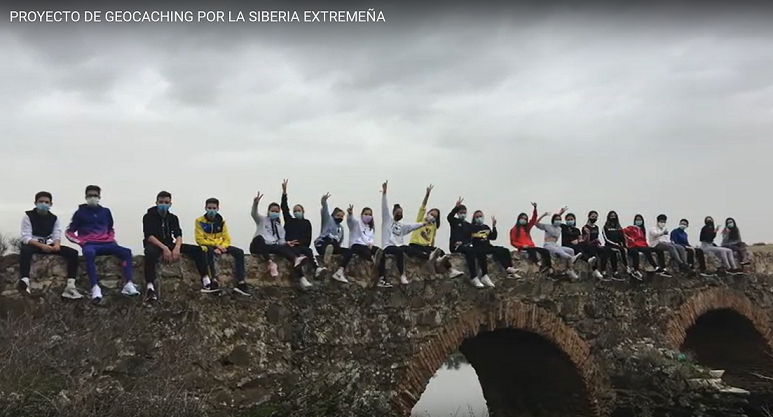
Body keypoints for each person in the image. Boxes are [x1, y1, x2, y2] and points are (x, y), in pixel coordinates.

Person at [143, 191, 246, 301]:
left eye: (166, 202)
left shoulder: (172, 218)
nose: (164, 204)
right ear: (156, 202)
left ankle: (206, 281)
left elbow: (178, 234)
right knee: (150, 253)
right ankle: (150, 287)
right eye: (161, 202)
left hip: (170, 244)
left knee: (199, 250)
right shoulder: (148, 216)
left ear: (170, 204)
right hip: (155, 244)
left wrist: (177, 247)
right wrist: (164, 248)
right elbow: (149, 236)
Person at [65, 185, 138, 303]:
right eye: (90, 195)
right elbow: (69, 232)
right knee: (89, 254)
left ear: (99, 196)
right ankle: (95, 287)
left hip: (107, 243)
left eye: (95, 195)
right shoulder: (80, 213)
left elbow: (110, 228)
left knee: (126, 252)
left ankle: (128, 284)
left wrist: (110, 238)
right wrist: (81, 242)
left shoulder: (105, 212)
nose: (92, 197)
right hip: (90, 244)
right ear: (85, 197)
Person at [18, 191, 83, 299]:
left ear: (50, 204)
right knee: (25, 250)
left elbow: (56, 233)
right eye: (41, 201)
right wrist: (41, 246)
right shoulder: (28, 216)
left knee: (72, 253)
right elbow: (26, 237)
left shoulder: (54, 218)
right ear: (35, 203)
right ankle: (25, 281)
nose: (44, 204)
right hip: (34, 244)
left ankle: (71, 286)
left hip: (49, 244)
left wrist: (56, 245)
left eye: (46, 202)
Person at [249, 191, 312, 289]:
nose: (275, 213)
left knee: (287, 248)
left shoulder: (279, 227)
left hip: (271, 246)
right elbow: (254, 213)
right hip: (259, 246)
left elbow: (280, 241)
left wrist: (287, 243)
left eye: (277, 211)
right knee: (259, 239)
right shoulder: (262, 220)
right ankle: (270, 263)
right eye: (273, 211)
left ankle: (300, 273)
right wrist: (256, 203)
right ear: (268, 211)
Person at [404, 184, 465, 279]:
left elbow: (432, 240)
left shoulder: (433, 227)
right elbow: (423, 206)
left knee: (441, 252)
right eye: (431, 214)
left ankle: (450, 270)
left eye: (435, 217)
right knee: (417, 253)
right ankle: (434, 261)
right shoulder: (420, 220)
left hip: (426, 246)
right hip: (415, 245)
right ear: (427, 213)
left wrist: (432, 248)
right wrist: (427, 195)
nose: (432, 217)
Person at [379, 181, 429, 285]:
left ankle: (429, 258)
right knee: (399, 252)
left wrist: (423, 224)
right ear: (393, 213)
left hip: (400, 246)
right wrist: (384, 194)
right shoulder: (387, 220)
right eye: (398, 212)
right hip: (388, 246)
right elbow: (384, 208)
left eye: (401, 213)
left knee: (412, 249)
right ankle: (402, 275)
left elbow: (411, 226)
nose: (399, 214)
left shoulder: (401, 226)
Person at [194, 198, 248, 292]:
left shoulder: (221, 222)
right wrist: (216, 245)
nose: (212, 210)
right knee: (208, 252)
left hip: (221, 246)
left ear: (218, 208)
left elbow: (227, 238)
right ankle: (213, 280)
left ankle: (241, 282)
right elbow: (200, 239)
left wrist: (222, 246)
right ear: (205, 208)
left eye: (214, 208)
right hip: (208, 245)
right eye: (209, 208)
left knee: (239, 252)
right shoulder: (199, 221)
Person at [280, 180, 326, 278]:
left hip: (302, 246)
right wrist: (284, 193)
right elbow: (284, 208)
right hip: (290, 246)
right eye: (295, 211)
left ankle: (317, 268)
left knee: (308, 251)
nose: (297, 212)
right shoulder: (289, 220)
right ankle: (302, 278)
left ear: (303, 211)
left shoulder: (306, 223)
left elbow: (308, 238)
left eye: (298, 210)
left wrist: (299, 243)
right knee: (296, 257)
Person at [331, 205, 382, 286]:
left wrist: (371, 244)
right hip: (356, 245)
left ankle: (381, 278)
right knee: (366, 252)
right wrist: (350, 214)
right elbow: (351, 222)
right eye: (366, 214)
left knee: (380, 252)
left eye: (370, 214)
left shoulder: (371, 228)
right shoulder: (357, 223)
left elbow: (370, 238)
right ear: (362, 214)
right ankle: (339, 271)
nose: (368, 216)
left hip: (367, 246)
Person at [468, 210, 520, 288]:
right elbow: (469, 238)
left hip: (487, 245)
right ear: (474, 218)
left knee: (504, 250)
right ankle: (505, 269)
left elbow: (493, 237)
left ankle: (510, 269)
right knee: (494, 252)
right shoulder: (472, 227)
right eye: (477, 217)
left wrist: (494, 226)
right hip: (479, 247)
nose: (479, 218)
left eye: (480, 216)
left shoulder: (485, 227)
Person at [534, 207, 581, 280]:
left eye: (559, 219)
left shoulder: (559, 228)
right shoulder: (547, 226)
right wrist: (543, 215)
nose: (558, 221)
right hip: (548, 245)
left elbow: (557, 219)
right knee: (562, 253)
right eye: (556, 220)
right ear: (553, 220)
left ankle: (570, 270)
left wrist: (560, 213)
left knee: (571, 250)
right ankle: (571, 259)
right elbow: (536, 223)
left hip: (555, 245)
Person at [447, 197, 483, 288]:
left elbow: (471, 237)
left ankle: (482, 275)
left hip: (465, 246)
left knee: (477, 251)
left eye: (464, 212)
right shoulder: (454, 221)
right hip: (455, 246)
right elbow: (449, 217)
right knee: (469, 251)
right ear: (458, 213)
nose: (463, 214)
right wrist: (455, 208)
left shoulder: (468, 225)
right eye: (461, 212)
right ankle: (473, 277)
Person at [509, 202, 553, 276]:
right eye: (522, 218)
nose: (524, 220)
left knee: (545, 251)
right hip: (523, 248)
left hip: (531, 246)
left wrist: (535, 209)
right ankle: (537, 263)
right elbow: (513, 242)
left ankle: (549, 267)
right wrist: (521, 246)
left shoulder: (526, 228)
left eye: (525, 219)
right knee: (532, 251)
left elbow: (533, 220)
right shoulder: (514, 229)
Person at [623, 214, 669, 279]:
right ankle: (655, 267)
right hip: (635, 245)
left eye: (640, 220)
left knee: (658, 250)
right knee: (646, 251)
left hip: (643, 245)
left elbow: (643, 240)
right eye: (637, 220)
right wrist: (629, 239)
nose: (638, 221)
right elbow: (622, 232)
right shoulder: (631, 228)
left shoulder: (641, 230)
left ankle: (663, 268)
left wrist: (646, 244)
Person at [561, 212, 603, 280]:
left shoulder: (576, 230)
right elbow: (555, 222)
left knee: (588, 246)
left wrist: (579, 240)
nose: (570, 221)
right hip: (567, 245)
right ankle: (587, 259)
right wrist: (560, 213)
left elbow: (580, 238)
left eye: (571, 219)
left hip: (577, 243)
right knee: (578, 248)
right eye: (568, 219)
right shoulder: (564, 227)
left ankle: (595, 269)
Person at [313, 192, 349, 265]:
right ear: (334, 215)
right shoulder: (328, 219)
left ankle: (341, 268)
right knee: (329, 241)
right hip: (323, 242)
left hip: (334, 246)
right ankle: (325, 254)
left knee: (348, 251)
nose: (340, 217)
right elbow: (325, 211)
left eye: (342, 216)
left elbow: (340, 240)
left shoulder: (340, 228)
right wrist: (324, 202)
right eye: (338, 215)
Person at [579, 211, 609, 280]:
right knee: (593, 253)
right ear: (589, 217)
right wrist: (588, 234)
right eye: (593, 217)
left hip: (595, 244)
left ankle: (603, 271)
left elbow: (596, 237)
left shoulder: (596, 227)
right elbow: (585, 240)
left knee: (605, 251)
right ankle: (595, 270)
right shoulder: (585, 227)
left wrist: (598, 243)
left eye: (596, 217)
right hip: (588, 245)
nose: (594, 218)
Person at [601, 211, 629, 281]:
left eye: (614, 216)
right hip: (609, 245)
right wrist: (615, 244)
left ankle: (627, 267)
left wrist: (624, 245)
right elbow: (606, 239)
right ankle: (609, 272)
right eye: (611, 216)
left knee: (623, 250)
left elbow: (622, 238)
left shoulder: (619, 228)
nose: (613, 217)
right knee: (613, 252)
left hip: (618, 245)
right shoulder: (605, 227)